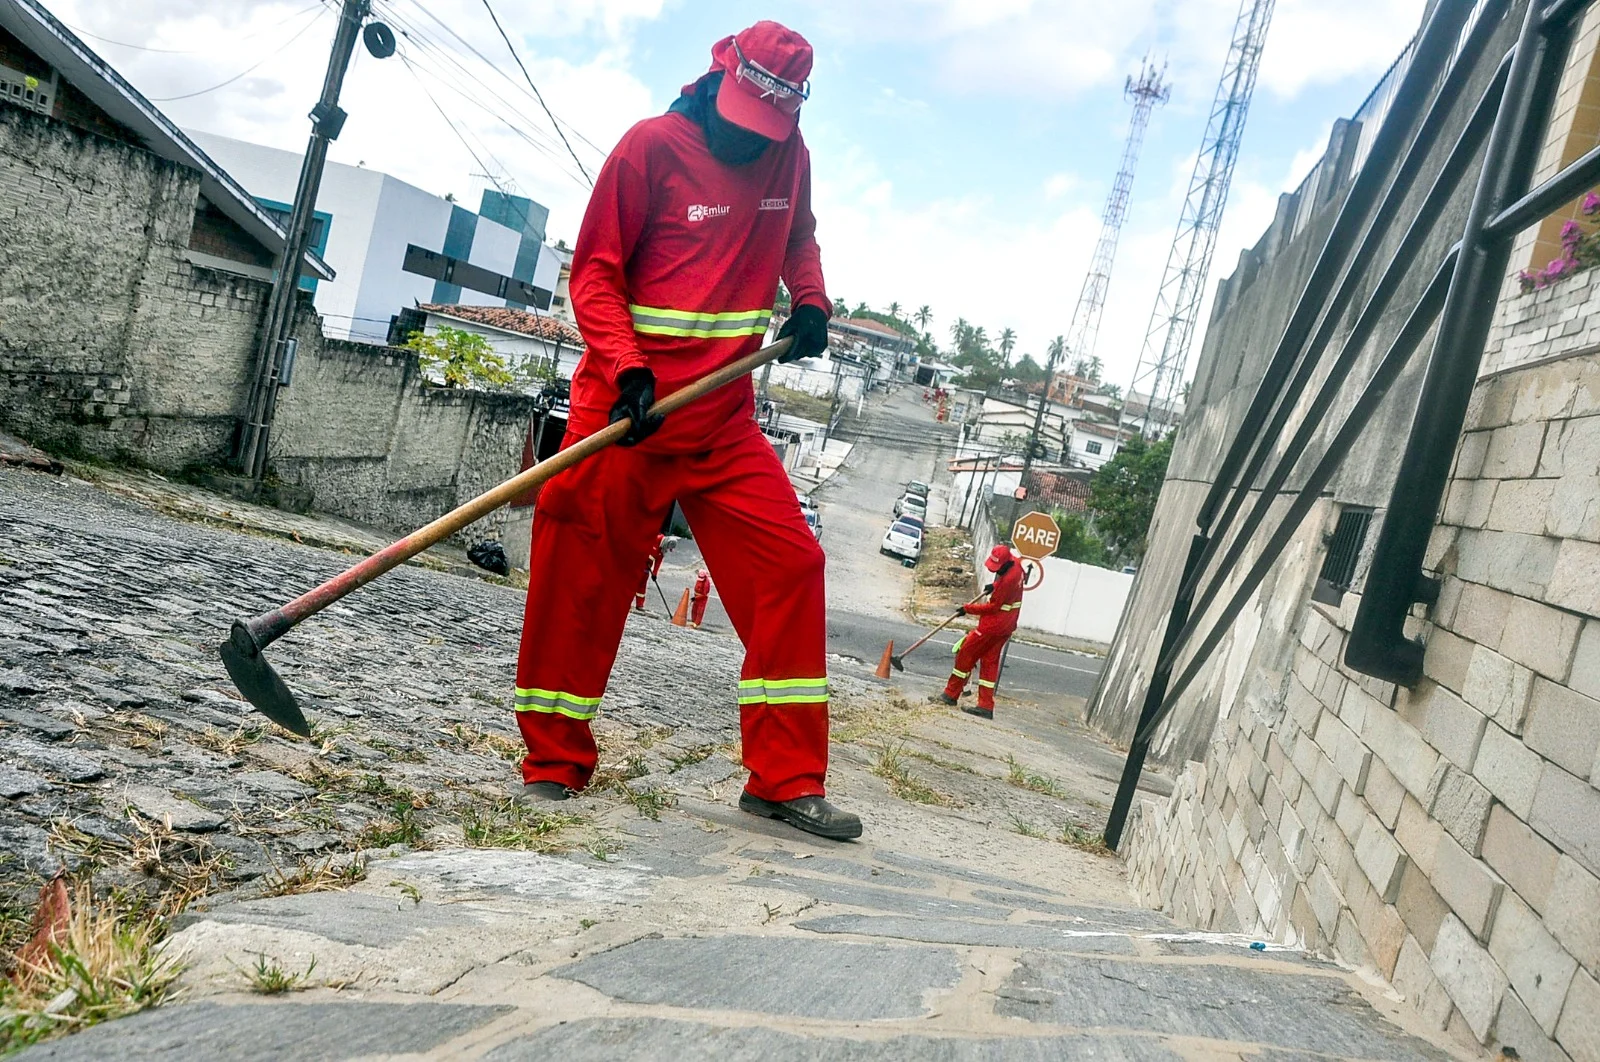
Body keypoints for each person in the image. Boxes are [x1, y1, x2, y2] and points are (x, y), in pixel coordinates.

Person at [509, 22, 861, 841]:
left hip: (721, 420)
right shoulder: (649, 150)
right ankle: (554, 762)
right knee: (578, 582)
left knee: (792, 565)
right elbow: (593, 270)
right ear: (718, 77)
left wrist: (809, 298)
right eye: (745, 117)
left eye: (770, 125)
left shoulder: (789, 154)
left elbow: (798, 237)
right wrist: (628, 367)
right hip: (626, 413)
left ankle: (784, 780)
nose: (753, 137)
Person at [934, 544, 1025, 720]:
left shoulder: (1008, 581)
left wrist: (968, 608)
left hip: (993, 626)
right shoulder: (1016, 564)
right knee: (990, 663)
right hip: (1006, 626)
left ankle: (950, 695)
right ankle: (985, 705)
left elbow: (993, 607)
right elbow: (1005, 590)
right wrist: (994, 585)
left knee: (965, 653)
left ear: (1004, 563)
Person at [633, 533, 678, 611]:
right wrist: (645, 557)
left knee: (642, 587)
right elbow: (643, 547)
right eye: (667, 548)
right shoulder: (655, 539)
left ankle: (639, 604)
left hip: (646, 569)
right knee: (633, 584)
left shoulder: (662, 549)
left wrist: (655, 573)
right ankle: (626, 601)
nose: (666, 549)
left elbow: (658, 561)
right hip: (639, 566)